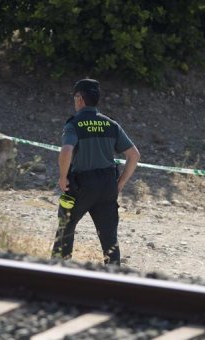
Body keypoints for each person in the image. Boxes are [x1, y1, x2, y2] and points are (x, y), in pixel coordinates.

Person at [52, 79, 140, 265]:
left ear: (80, 99)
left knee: (65, 230)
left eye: (75, 97)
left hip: (81, 186)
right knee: (109, 239)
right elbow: (134, 155)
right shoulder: (111, 125)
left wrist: (62, 177)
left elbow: (67, 150)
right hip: (108, 185)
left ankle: (58, 273)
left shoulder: (74, 124)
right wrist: (120, 184)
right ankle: (114, 278)